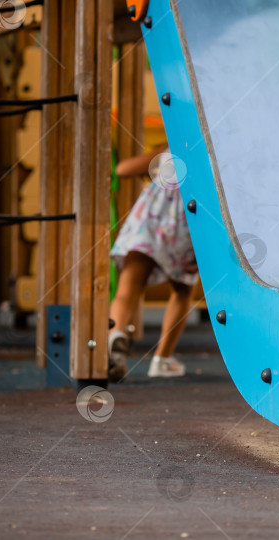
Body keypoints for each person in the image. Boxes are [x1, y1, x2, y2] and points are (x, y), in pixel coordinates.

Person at [107, 146, 198, 380]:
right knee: (182, 290)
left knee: (127, 288)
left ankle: (115, 333)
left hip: (148, 220)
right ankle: (162, 359)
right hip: (185, 223)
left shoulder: (170, 149)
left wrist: (155, 166)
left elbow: (122, 169)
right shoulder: (212, 156)